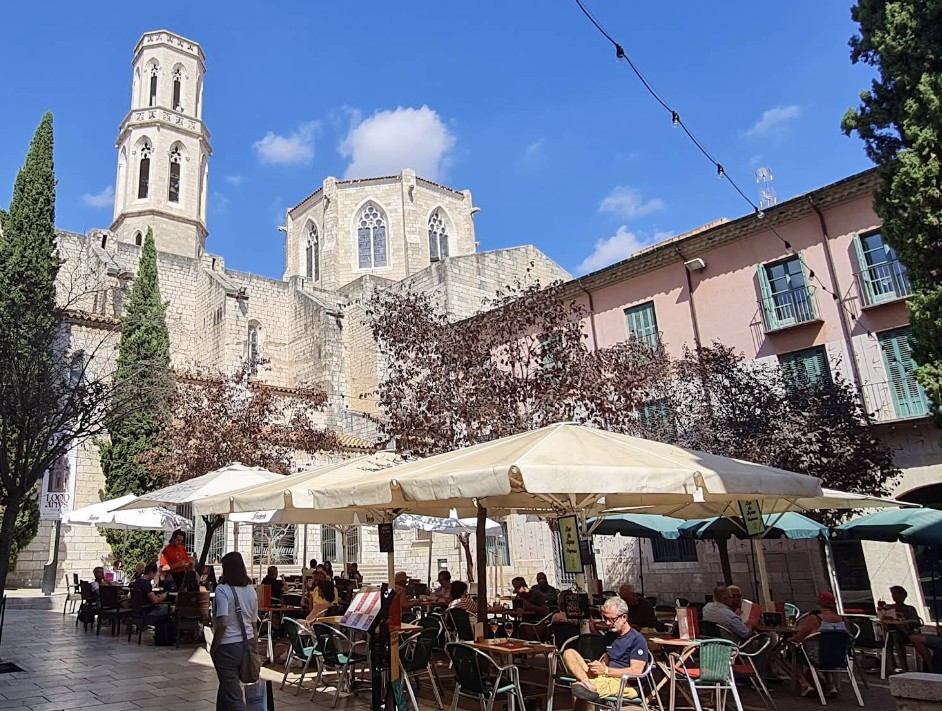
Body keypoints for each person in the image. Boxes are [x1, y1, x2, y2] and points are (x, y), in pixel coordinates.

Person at [562, 596, 649, 708]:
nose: (607, 623)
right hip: (606, 676)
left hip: (626, 683)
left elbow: (636, 672)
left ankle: (586, 686)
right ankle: (586, 683)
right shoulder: (610, 636)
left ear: (624, 617)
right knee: (569, 652)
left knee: (581, 691)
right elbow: (606, 660)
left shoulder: (637, 639)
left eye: (611, 619)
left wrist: (606, 670)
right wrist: (597, 667)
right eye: (605, 618)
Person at [211, 551, 259, 711]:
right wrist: (255, 647)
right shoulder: (251, 591)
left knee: (234, 695)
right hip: (247, 643)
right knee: (227, 686)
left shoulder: (222, 590)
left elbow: (223, 622)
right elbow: (253, 624)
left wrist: (214, 647)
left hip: (227, 646)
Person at [791, 591, 848, 697]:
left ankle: (805, 683)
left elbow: (799, 638)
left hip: (817, 657)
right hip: (839, 658)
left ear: (819, 602)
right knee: (826, 649)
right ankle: (830, 685)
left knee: (792, 651)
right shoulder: (843, 619)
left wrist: (789, 639)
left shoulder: (815, 619)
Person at [882, 585, 923, 672]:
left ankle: (904, 667)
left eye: (897, 594)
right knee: (893, 635)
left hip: (907, 634)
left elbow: (917, 622)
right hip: (891, 634)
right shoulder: (889, 607)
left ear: (903, 596)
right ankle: (894, 666)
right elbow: (884, 621)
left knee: (896, 636)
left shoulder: (909, 608)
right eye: (893, 594)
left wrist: (905, 622)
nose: (895, 596)